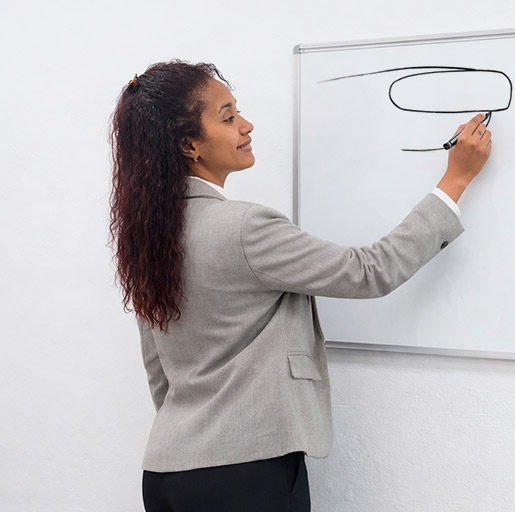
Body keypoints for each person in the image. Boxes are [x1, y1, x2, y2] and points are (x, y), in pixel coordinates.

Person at [109, 60, 492, 512]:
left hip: (167, 473)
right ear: (189, 144)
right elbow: (370, 271)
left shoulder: (148, 235)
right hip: (244, 476)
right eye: (228, 118)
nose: (246, 125)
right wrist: (455, 179)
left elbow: (158, 367)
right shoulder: (244, 227)